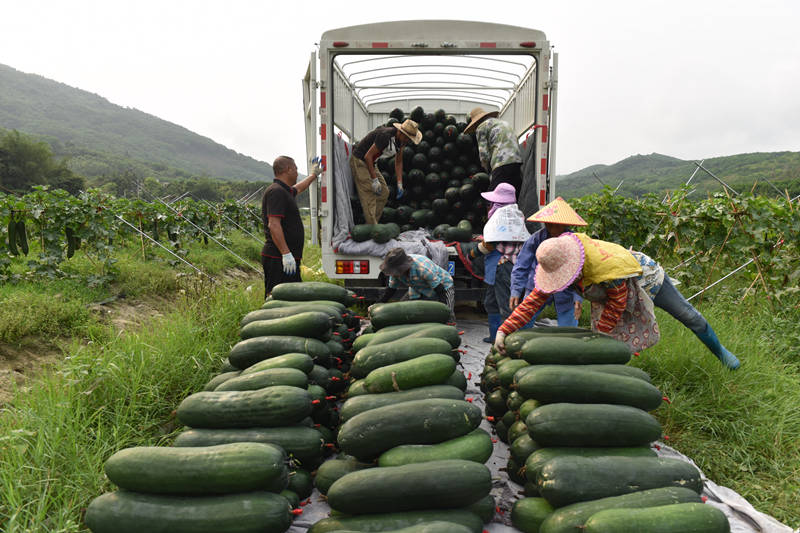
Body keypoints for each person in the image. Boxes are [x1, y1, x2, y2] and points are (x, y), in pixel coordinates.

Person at [494, 232, 741, 370]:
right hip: (610, 291)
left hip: (643, 278)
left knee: (686, 314)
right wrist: (504, 330)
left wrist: (596, 340)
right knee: (607, 338)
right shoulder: (564, 265)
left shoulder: (605, 267)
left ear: (572, 265)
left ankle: (721, 354)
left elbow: (617, 304)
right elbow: (533, 302)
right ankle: (620, 372)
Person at [509, 197, 586, 327]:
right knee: (521, 324)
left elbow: (581, 273)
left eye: (555, 224)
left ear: (564, 224)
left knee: (569, 331)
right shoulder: (535, 239)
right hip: (537, 286)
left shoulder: (575, 242)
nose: (550, 226)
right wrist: (516, 290)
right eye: (548, 223)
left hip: (566, 290)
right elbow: (521, 266)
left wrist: (578, 297)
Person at [474, 182, 528, 343]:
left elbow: (490, 245)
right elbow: (503, 237)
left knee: (506, 305)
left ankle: (511, 341)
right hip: (498, 268)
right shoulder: (511, 215)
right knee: (490, 302)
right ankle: (494, 335)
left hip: (503, 267)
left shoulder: (503, 216)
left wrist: (473, 252)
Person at [261, 155, 321, 298]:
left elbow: (298, 188)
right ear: (288, 170)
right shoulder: (276, 192)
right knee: (275, 296)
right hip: (278, 257)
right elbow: (274, 224)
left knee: (291, 297)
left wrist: (314, 174)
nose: (296, 171)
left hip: (286, 257)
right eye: (295, 168)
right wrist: (286, 254)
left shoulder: (284, 191)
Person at [350, 119, 422, 224]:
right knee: (369, 194)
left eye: (410, 139)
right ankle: (372, 227)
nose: (408, 140)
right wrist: (374, 180)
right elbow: (368, 156)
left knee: (384, 193)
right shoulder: (385, 136)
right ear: (400, 132)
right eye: (407, 137)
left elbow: (398, 162)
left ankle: (372, 223)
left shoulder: (401, 142)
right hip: (360, 161)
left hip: (372, 163)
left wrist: (399, 183)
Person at [376, 248, 455, 322]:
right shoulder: (395, 272)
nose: (394, 274)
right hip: (417, 288)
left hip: (443, 286)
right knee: (402, 312)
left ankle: (450, 323)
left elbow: (440, 289)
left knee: (447, 314)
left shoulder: (422, 269)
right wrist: (378, 305)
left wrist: (442, 309)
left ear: (402, 268)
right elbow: (391, 290)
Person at [464, 107, 522, 200]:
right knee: (512, 194)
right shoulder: (502, 122)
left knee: (494, 197)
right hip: (516, 161)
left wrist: (487, 171)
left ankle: (494, 214)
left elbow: (484, 155)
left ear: (476, 123)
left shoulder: (481, 127)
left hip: (501, 163)